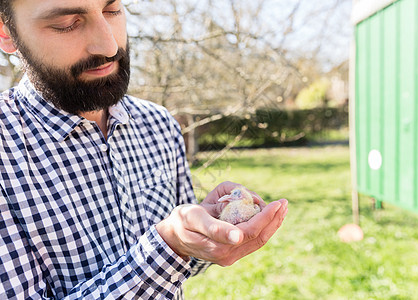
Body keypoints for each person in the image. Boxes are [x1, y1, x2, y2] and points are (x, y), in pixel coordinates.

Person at [0, 0, 288, 299]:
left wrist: (205, 233)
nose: (109, 45)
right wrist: (168, 246)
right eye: (67, 23)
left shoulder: (158, 124)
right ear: (7, 33)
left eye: (112, 10)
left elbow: (182, 266)